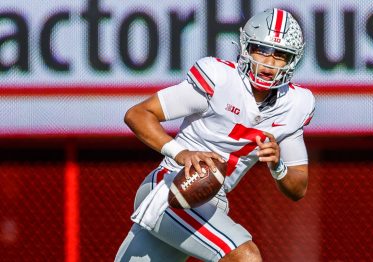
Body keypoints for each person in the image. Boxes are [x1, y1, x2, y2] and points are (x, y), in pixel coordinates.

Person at [115, 8, 315, 262]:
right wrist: (181, 153)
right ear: (246, 47)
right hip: (170, 185)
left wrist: (277, 165)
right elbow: (138, 114)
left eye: (280, 55)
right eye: (262, 50)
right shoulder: (219, 79)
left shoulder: (295, 104)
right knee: (245, 257)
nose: (269, 62)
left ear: (292, 61)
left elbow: (298, 186)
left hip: (211, 200)